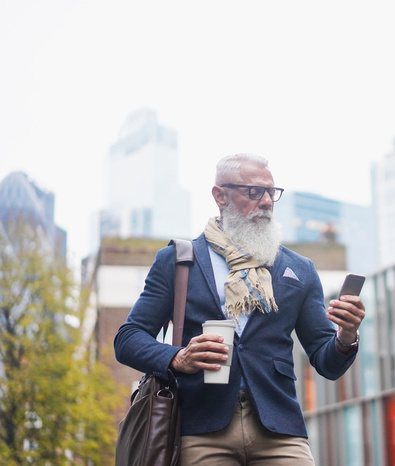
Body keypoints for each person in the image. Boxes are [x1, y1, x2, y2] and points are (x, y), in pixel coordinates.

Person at [114, 153, 365, 465]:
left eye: (271, 192)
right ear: (220, 195)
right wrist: (178, 357)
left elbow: (327, 363)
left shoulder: (299, 269)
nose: (266, 202)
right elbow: (127, 339)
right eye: (253, 192)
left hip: (280, 430)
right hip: (201, 428)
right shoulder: (178, 261)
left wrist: (346, 335)